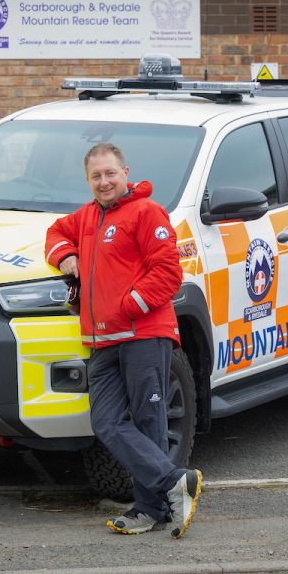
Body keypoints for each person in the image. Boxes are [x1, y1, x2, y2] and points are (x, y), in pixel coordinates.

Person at [45, 142, 203, 538]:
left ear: (125, 172)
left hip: (143, 334)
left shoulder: (147, 212)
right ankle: (174, 482)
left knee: (149, 421)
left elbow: (168, 273)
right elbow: (54, 231)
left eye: (110, 173)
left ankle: (148, 510)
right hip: (102, 341)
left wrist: (127, 306)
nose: (104, 182)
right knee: (106, 422)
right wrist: (65, 254)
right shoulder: (86, 217)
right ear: (88, 180)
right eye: (96, 176)